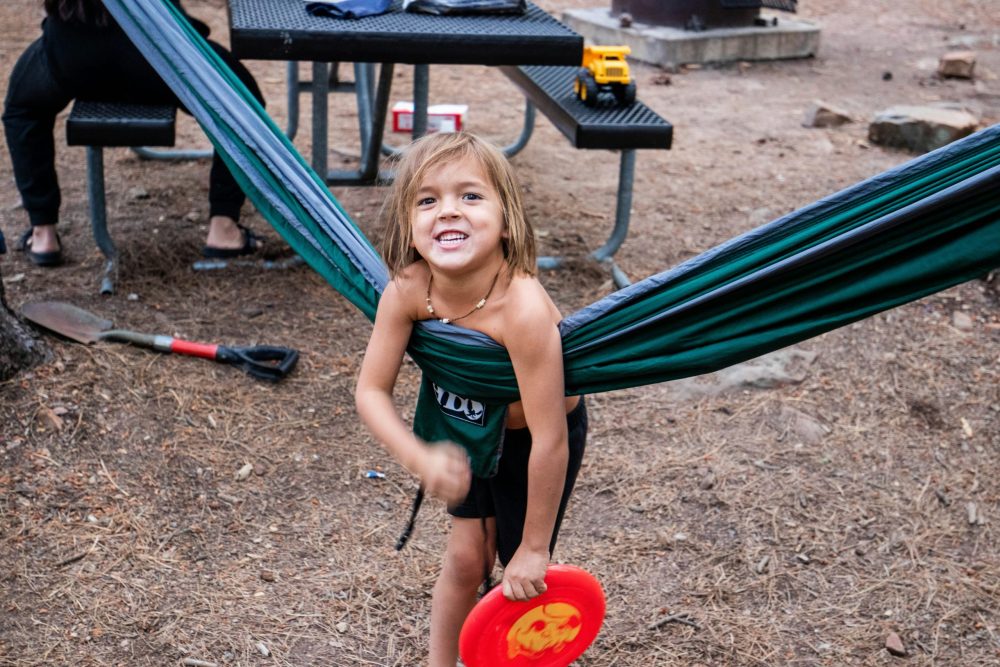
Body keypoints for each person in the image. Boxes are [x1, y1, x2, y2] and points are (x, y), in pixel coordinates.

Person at [355, 131, 587, 666]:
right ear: (408, 227)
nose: (448, 211)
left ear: (507, 222)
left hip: (531, 443)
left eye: (471, 196)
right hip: (463, 423)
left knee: (518, 573)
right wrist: (418, 456)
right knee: (466, 560)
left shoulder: (521, 309)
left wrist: (534, 548)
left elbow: (551, 439)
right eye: (427, 200)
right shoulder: (408, 289)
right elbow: (370, 391)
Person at [2, 0, 266, 267]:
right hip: (158, 59)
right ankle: (223, 227)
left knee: (23, 109)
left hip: (76, 57)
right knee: (245, 104)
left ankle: (43, 234)